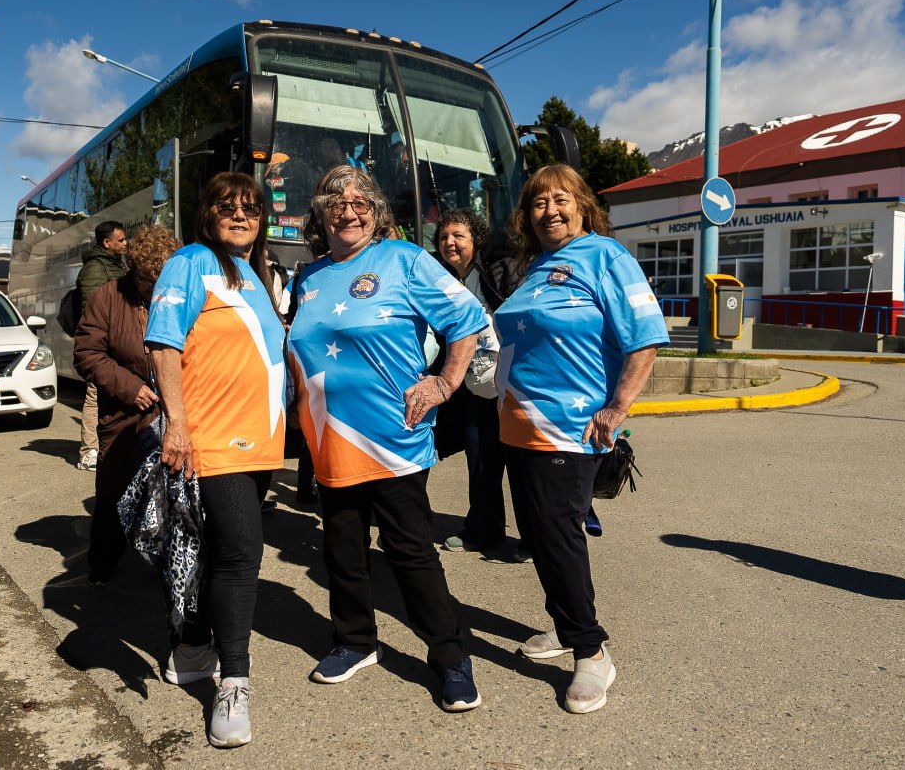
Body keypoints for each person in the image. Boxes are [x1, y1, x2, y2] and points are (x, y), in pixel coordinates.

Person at [286, 165, 487, 712]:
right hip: (329, 439)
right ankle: (354, 642)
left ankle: (450, 657)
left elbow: (467, 319)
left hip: (392, 438)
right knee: (342, 548)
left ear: (376, 213)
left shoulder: (405, 260)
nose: (348, 211)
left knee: (409, 551)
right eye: (336, 202)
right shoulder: (306, 278)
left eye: (360, 202)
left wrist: (446, 381)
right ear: (320, 214)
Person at [492, 164, 668, 715]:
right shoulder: (539, 267)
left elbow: (644, 338)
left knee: (558, 532)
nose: (551, 210)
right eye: (539, 202)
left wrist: (618, 407)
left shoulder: (606, 257)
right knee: (538, 533)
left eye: (561, 199)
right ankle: (568, 626)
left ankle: (592, 653)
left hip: (570, 426)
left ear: (583, 205)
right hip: (519, 424)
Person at [145, 172, 287, 749]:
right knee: (241, 555)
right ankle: (233, 683)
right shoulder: (190, 262)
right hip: (215, 437)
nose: (240, 215)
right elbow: (163, 344)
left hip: (263, 441)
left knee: (219, 549)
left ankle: (191, 645)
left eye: (251, 208)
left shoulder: (253, 274)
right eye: (227, 206)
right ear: (207, 214)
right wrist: (177, 424)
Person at [73, 224, 179, 586]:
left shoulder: (180, 296)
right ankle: (102, 566)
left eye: (162, 280)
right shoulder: (108, 297)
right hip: (125, 416)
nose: (156, 290)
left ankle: (170, 564)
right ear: (134, 272)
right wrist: (130, 387)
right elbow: (87, 353)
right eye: (149, 282)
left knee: (173, 494)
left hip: (175, 415)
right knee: (113, 494)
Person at [430, 208, 527, 559]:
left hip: (510, 389)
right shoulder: (448, 280)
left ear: (476, 240)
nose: (449, 243)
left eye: (458, 236)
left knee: (521, 467)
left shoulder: (498, 270)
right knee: (481, 462)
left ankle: (535, 538)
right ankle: (483, 531)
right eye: (443, 237)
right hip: (476, 388)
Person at [76, 220, 129, 471]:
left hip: (118, 342)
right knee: (95, 395)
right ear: (107, 243)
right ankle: (89, 451)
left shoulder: (118, 265)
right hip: (103, 345)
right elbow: (92, 313)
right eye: (121, 240)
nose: (125, 243)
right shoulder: (95, 269)